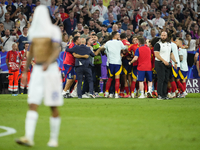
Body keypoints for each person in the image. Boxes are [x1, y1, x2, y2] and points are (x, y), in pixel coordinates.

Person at [15, 5, 63, 147]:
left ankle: (53, 139)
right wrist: (25, 71)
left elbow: (56, 50)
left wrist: (48, 62)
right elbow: (31, 52)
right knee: (33, 103)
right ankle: (28, 137)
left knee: (53, 105)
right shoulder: (33, 31)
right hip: (37, 70)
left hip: (51, 69)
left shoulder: (53, 30)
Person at [102, 31, 127, 98]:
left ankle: (107, 93)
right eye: (118, 35)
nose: (119, 36)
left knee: (110, 79)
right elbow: (125, 48)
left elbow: (104, 50)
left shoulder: (108, 43)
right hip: (118, 62)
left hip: (110, 62)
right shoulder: (119, 42)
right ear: (114, 35)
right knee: (117, 79)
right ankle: (116, 94)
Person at [154, 31, 178, 100]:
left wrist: (175, 62)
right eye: (162, 35)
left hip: (167, 64)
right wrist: (163, 61)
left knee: (166, 79)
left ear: (167, 36)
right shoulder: (158, 44)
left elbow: (171, 54)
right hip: (159, 63)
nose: (163, 37)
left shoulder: (169, 44)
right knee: (161, 79)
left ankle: (164, 95)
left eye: (164, 35)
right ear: (160, 36)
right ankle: (159, 95)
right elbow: (156, 54)